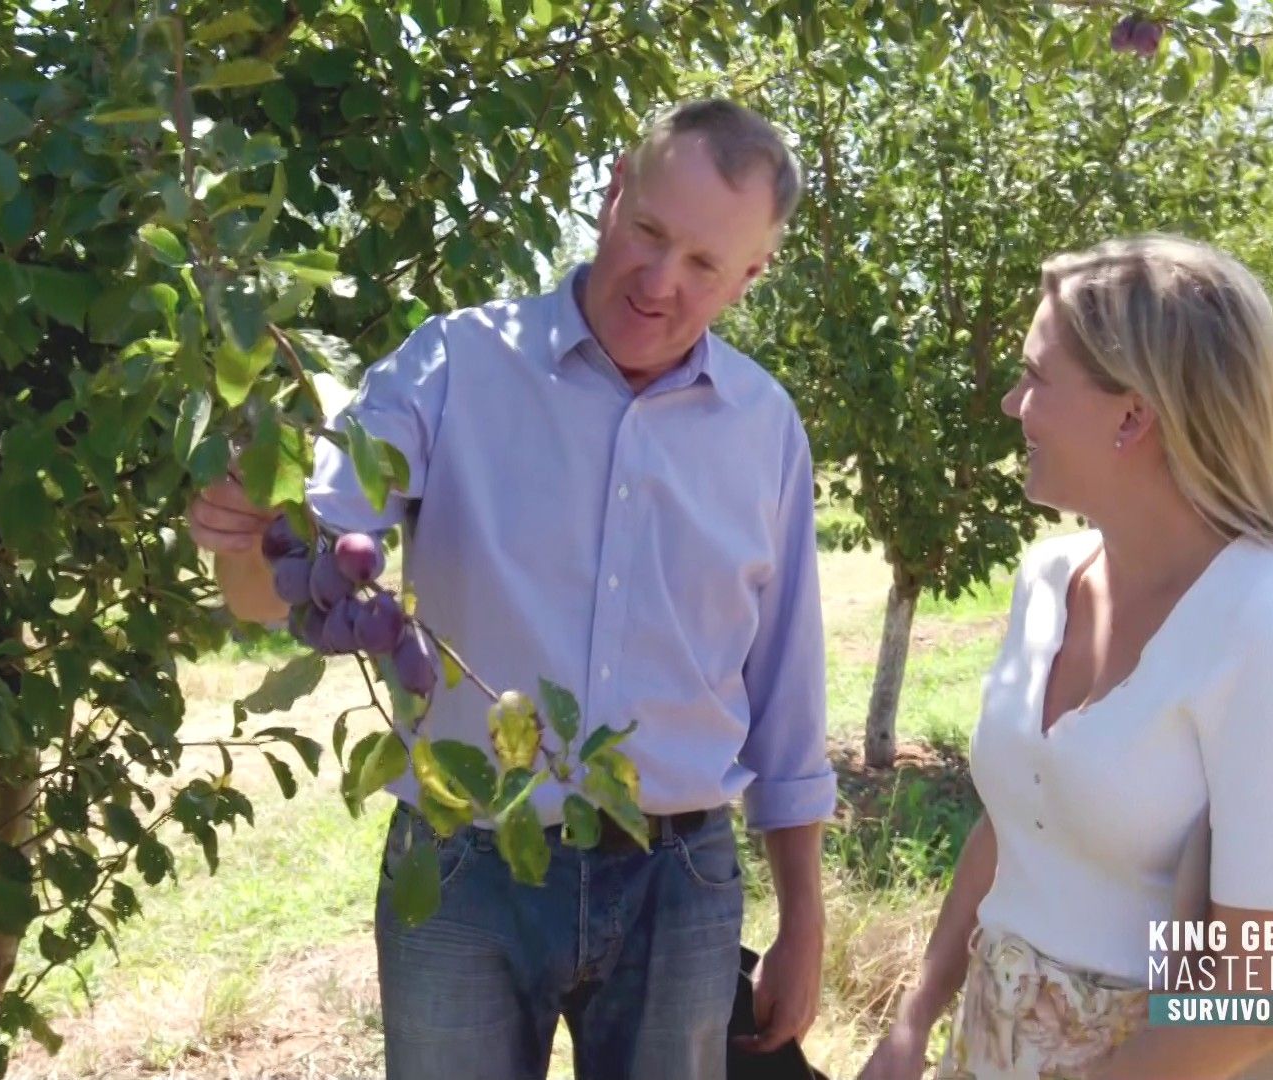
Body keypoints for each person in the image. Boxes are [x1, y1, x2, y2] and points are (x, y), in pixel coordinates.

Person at [188, 99, 836, 1080]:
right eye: (648, 231)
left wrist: (804, 919)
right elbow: (281, 579)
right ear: (613, 192)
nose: (660, 281)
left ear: (752, 275)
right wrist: (244, 528)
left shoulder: (764, 427)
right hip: (466, 867)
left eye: (705, 264)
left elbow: (787, 694)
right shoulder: (455, 363)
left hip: (677, 882)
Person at [857, 235, 1273, 1080]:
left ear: (1132, 416)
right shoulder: (1047, 580)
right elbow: (1015, 823)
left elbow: (1264, 995)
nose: (1012, 404)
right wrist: (914, 1020)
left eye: (1035, 376)